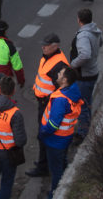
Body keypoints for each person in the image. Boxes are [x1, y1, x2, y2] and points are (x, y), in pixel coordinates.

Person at [26, 33, 69, 179]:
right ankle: (46, 164)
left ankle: (45, 166)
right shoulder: (47, 56)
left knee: (44, 135)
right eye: (43, 44)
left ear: (55, 46)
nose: (43, 47)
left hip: (49, 105)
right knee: (44, 135)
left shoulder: (59, 65)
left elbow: (63, 88)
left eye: (46, 45)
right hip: (43, 103)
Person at [39, 67, 82, 198]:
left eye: (60, 74)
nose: (58, 74)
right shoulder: (72, 92)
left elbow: (53, 124)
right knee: (62, 163)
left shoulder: (60, 100)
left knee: (56, 170)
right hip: (65, 138)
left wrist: (43, 132)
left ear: (65, 80)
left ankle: (55, 193)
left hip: (55, 141)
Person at [70, 9, 102, 141]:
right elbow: (101, 42)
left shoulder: (83, 35)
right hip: (93, 71)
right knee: (87, 101)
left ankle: (83, 132)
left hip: (84, 75)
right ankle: (87, 124)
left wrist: (73, 64)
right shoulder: (95, 30)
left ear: (79, 20)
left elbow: (85, 54)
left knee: (82, 104)